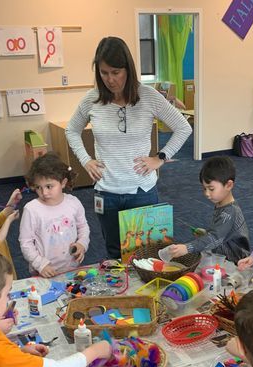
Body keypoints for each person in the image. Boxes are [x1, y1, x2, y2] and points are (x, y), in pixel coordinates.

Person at [65, 36, 192, 259]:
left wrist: (160, 158)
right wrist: (85, 160)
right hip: (107, 191)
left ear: (128, 69)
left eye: (116, 72)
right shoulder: (92, 99)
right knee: (115, 252)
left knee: (147, 254)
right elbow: (71, 130)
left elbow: (183, 127)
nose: (110, 79)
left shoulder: (148, 97)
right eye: (104, 73)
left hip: (141, 190)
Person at [19, 153, 90, 277]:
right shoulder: (31, 209)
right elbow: (25, 242)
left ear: (63, 183)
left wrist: (82, 244)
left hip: (71, 267)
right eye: (38, 187)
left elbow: (83, 227)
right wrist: (40, 264)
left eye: (49, 186)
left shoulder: (73, 202)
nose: (44, 192)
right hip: (44, 271)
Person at [169, 156, 249, 264]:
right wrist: (206, 233)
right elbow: (221, 233)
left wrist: (187, 248)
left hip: (235, 264)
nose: (206, 194)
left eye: (211, 189)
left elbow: (215, 238)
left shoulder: (229, 212)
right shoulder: (222, 205)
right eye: (204, 188)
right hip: (223, 257)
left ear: (229, 185)